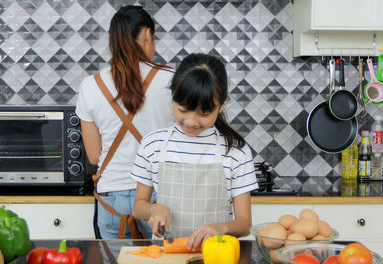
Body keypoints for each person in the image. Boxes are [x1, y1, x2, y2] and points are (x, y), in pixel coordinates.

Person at [131, 53, 258, 250]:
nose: (191, 122)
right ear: (173, 98)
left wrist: (221, 227)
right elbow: (139, 206)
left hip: (216, 256)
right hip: (167, 255)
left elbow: (244, 223)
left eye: (204, 114)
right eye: (182, 110)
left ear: (220, 107)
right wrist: (155, 209)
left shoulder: (236, 151)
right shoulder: (152, 145)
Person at [75, 5, 174, 239]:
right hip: (158, 200)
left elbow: (93, 156)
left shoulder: (90, 85)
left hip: (111, 200)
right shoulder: (172, 80)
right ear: (147, 35)